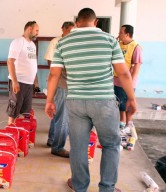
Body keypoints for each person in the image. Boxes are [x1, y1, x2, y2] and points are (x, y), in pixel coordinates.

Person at [45, 8, 136, 192]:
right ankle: (107, 188)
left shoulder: (63, 43)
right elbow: (123, 73)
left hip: (76, 101)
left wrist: (49, 101)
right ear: (95, 23)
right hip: (104, 101)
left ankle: (80, 187)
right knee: (111, 145)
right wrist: (132, 99)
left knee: (78, 147)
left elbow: (53, 75)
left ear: (77, 23)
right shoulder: (109, 40)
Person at [44, 21, 75, 158]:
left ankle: (52, 141)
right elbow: (53, 67)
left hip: (62, 83)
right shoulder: (61, 43)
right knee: (63, 118)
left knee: (57, 113)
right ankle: (57, 147)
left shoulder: (68, 43)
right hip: (62, 85)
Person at [6, 21, 39, 124]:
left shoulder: (32, 45)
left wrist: (35, 82)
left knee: (25, 113)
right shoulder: (18, 42)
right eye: (36, 30)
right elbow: (10, 62)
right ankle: (11, 135)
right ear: (29, 29)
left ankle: (21, 136)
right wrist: (15, 82)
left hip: (29, 84)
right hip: (19, 81)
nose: (38, 33)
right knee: (14, 112)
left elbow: (33, 64)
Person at [114, 24, 143, 131]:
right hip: (116, 80)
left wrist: (130, 83)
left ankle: (128, 124)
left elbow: (136, 68)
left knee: (127, 103)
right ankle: (122, 123)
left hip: (127, 82)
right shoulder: (118, 44)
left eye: (121, 33)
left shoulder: (136, 47)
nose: (119, 34)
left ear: (127, 34)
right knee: (119, 103)